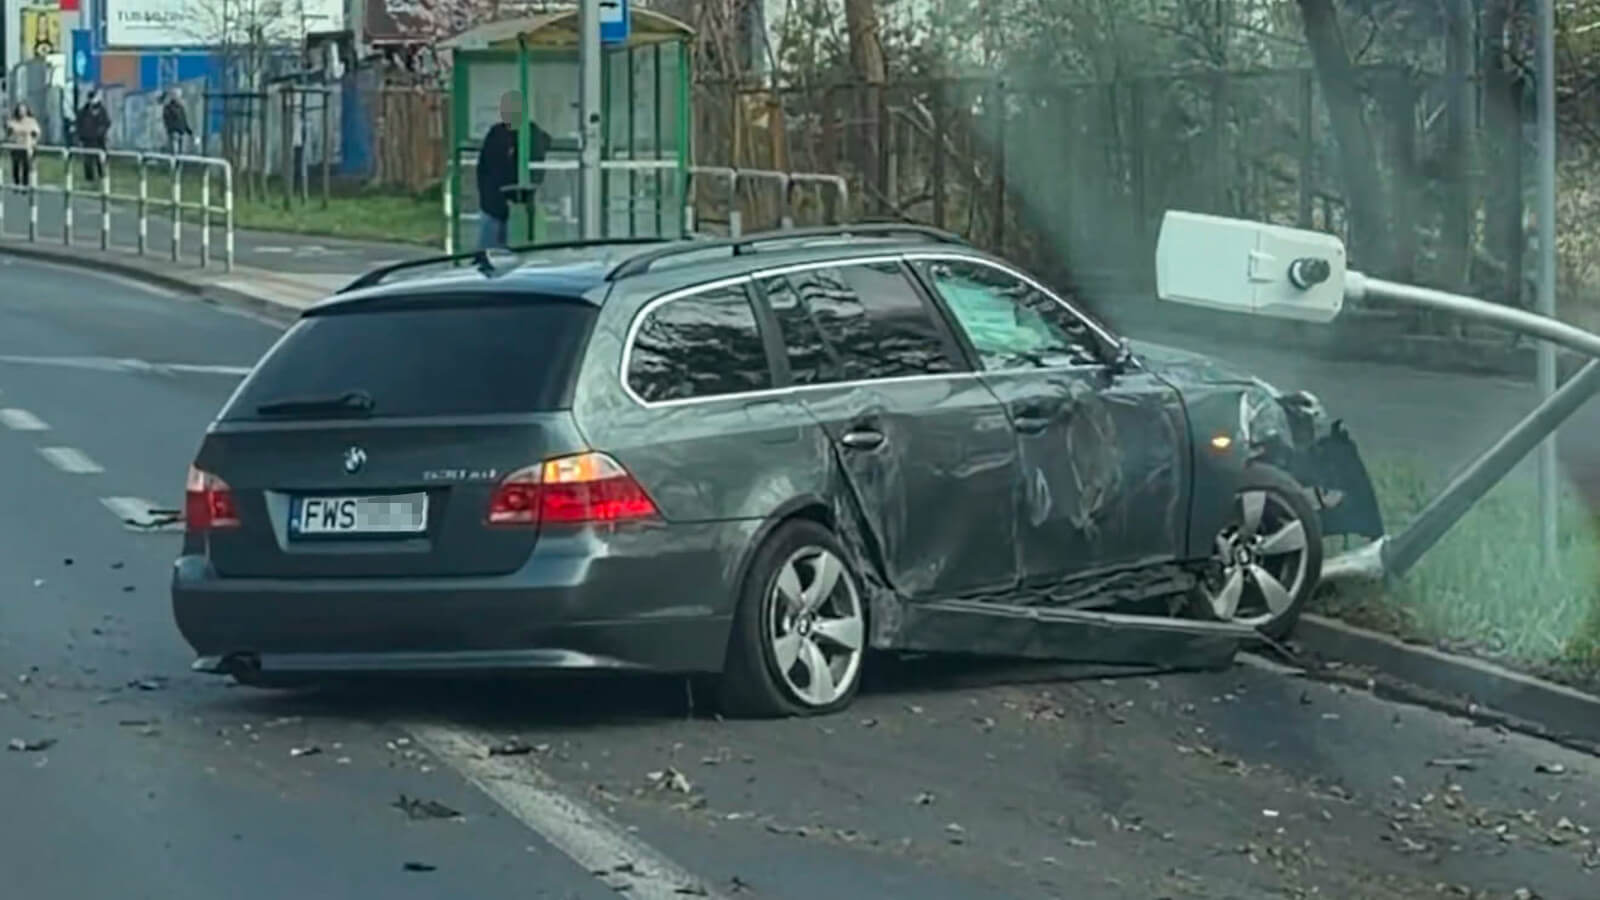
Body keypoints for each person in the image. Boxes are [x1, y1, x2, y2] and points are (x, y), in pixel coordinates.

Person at [475, 91, 552, 250]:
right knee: (489, 250)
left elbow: (536, 168)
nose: (507, 113)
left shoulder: (531, 134)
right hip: (493, 205)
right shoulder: (496, 134)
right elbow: (484, 168)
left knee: (514, 250)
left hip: (519, 205)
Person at [76, 90, 111, 184]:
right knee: (87, 162)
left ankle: (102, 178)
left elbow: (107, 122)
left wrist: (101, 132)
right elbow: (79, 124)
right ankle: (89, 180)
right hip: (87, 140)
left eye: (93, 98)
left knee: (100, 161)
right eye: (90, 98)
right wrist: (80, 136)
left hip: (99, 141)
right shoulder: (83, 111)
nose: (92, 101)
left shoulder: (102, 110)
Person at [5, 102, 41, 188]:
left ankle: (25, 184)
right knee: (16, 166)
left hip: (26, 147)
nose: (21, 112)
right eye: (20, 110)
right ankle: (16, 184)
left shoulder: (31, 121)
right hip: (15, 146)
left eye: (23, 110)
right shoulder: (13, 121)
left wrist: (34, 139)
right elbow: (9, 132)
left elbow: (36, 132)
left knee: (26, 166)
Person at [162, 88, 193, 156]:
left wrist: (188, 130)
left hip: (180, 131)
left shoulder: (180, 107)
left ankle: (178, 163)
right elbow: (167, 120)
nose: (180, 98)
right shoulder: (169, 107)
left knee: (180, 149)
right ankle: (174, 162)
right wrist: (171, 129)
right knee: (175, 149)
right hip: (174, 131)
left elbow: (184, 120)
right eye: (179, 96)